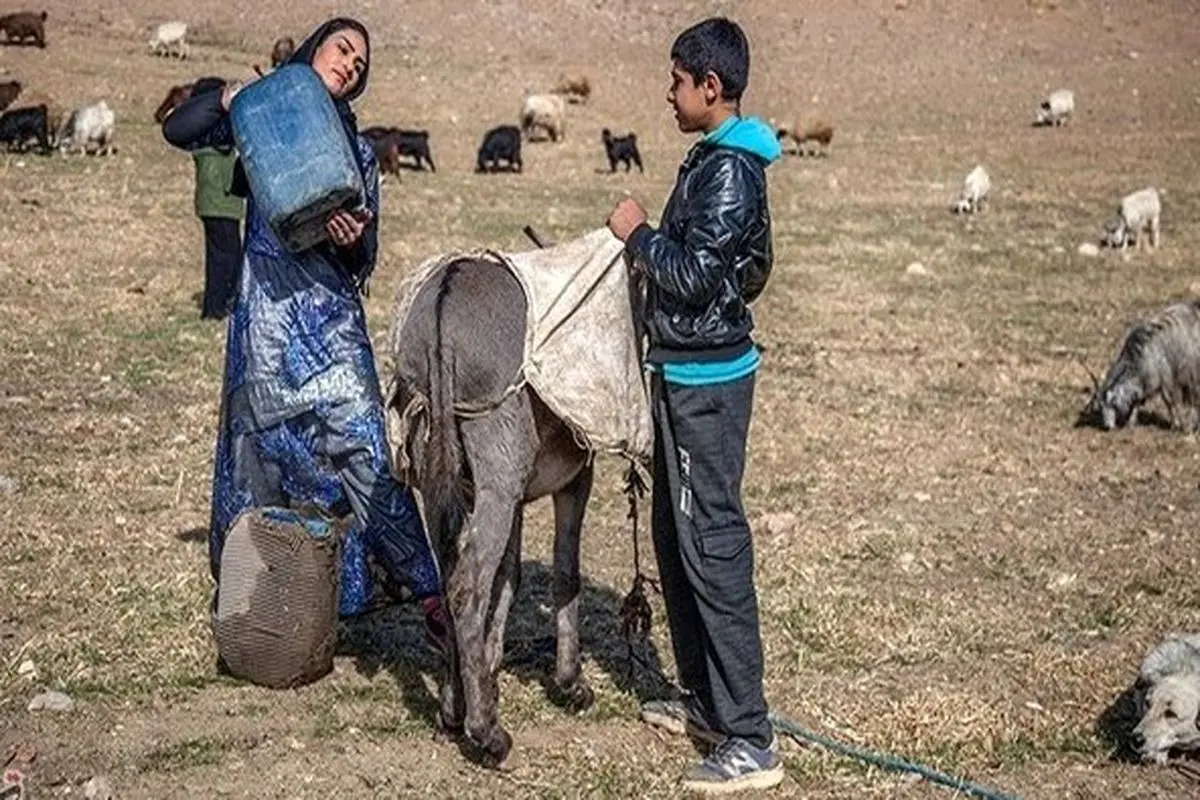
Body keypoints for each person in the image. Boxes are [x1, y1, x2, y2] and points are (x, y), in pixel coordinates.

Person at [161, 18, 447, 655]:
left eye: (361, 63)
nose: (352, 64)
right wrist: (231, 100)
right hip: (266, 314)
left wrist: (353, 241)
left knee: (367, 451)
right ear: (316, 47)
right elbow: (177, 128)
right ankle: (261, 598)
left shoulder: (358, 151)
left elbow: (365, 253)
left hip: (331, 321)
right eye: (343, 49)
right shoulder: (262, 116)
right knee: (260, 454)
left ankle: (430, 593)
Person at [605, 16, 783, 794]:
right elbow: (754, 268)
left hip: (706, 384)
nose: (667, 93)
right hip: (687, 370)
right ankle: (709, 704)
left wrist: (640, 235)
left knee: (710, 543)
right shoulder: (716, 160)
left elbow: (696, 275)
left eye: (677, 81)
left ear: (711, 88)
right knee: (678, 538)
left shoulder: (731, 170)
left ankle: (750, 738)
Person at [187, 77, 244, 321]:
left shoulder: (199, 128)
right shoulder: (209, 130)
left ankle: (216, 306)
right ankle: (221, 307)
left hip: (214, 200)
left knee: (220, 255)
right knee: (228, 256)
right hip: (220, 199)